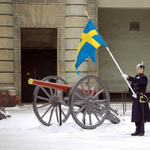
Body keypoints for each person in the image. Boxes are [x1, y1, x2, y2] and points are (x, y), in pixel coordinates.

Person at [122, 62, 150, 136]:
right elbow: (130, 88)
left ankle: (141, 130)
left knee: (141, 115)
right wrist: (132, 94)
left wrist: (128, 77)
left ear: (142, 70)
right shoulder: (135, 78)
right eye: (137, 69)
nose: (137, 70)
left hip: (142, 99)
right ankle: (137, 130)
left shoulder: (144, 78)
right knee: (136, 115)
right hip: (136, 99)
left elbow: (138, 81)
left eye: (139, 69)